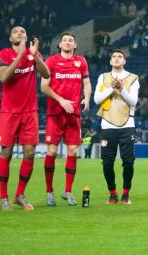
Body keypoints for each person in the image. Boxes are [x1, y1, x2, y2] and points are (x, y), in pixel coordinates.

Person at [0, 27, 50, 211]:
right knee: (6, 154)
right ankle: (3, 197)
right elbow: (3, 77)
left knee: (30, 153)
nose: (20, 33)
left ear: (26, 37)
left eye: (23, 32)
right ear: (10, 37)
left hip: (30, 112)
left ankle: (20, 194)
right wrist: (21, 56)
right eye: (16, 31)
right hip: (9, 112)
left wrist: (34, 56)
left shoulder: (33, 54)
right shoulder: (4, 54)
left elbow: (47, 74)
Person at [39, 32, 90, 207]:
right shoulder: (52, 61)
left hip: (74, 114)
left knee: (73, 152)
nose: (67, 43)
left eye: (70, 40)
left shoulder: (81, 61)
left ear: (75, 45)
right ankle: (49, 191)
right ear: (59, 45)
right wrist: (61, 100)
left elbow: (87, 83)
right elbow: (44, 87)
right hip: (55, 114)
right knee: (52, 152)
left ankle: (68, 191)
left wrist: (87, 98)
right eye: (64, 40)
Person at [94, 49, 139, 205]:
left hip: (127, 125)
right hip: (107, 124)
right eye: (114, 56)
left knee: (128, 162)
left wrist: (120, 89)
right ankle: (112, 193)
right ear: (110, 61)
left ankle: (126, 193)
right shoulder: (103, 77)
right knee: (107, 162)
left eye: (120, 56)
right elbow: (97, 99)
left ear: (124, 61)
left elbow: (133, 101)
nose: (117, 58)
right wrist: (111, 88)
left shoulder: (133, 78)